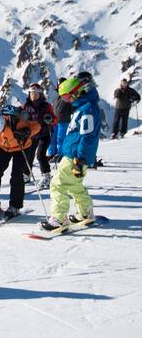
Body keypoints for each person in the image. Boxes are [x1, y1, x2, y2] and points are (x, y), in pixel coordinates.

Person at [43, 75, 101, 230]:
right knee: (75, 184)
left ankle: (59, 219)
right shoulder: (84, 106)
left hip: (75, 156)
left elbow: (87, 136)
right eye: (64, 97)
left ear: (79, 91)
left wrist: (80, 159)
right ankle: (85, 213)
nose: (67, 100)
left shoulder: (87, 109)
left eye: (68, 96)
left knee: (57, 184)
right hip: (76, 154)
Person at [0, 105, 41, 220]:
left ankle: (15, 206)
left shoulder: (18, 123)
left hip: (21, 147)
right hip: (3, 148)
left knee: (16, 177)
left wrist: (26, 132)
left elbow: (37, 126)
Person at [22, 83, 57, 189]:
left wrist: (50, 120)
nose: (33, 95)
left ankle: (46, 176)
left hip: (44, 134)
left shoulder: (46, 106)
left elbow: (55, 120)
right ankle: (26, 175)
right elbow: (21, 119)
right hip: (32, 135)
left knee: (40, 155)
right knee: (28, 155)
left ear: (40, 94)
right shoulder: (26, 106)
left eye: (36, 93)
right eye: (32, 93)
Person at [47, 77, 72, 163]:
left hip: (64, 121)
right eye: (59, 85)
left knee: (60, 138)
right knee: (52, 138)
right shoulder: (56, 98)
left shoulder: (68, 97)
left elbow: (72, 108)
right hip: (55, 122)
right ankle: (52, 154)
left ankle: (60, 154)